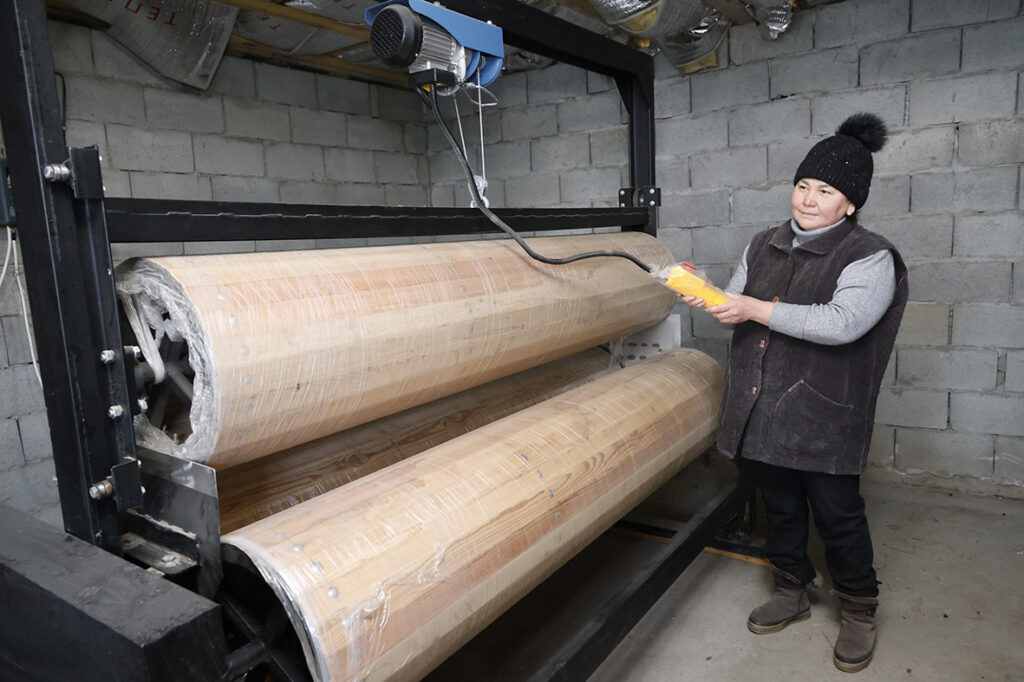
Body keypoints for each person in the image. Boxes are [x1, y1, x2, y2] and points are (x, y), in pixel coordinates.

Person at [679, 112, 908, 673]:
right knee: (779, 506)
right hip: (762, 404)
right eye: (803, 184)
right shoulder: (764, 244)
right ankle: (791, 589)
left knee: (838, 515)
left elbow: (843, 323)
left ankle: (858, 611)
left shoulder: (869, 254)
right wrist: (703, 291)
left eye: (825, 190)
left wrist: (754, 308)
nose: (808, 199)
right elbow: (735, 306)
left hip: (825, 412)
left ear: (849, 204)